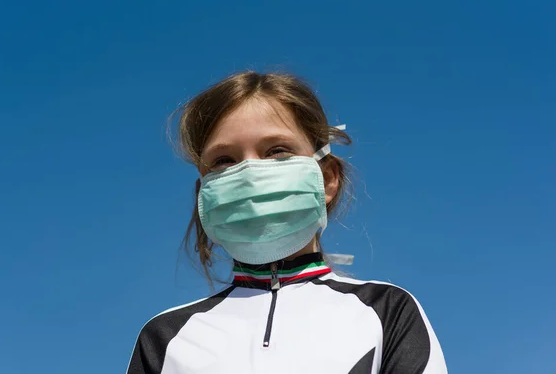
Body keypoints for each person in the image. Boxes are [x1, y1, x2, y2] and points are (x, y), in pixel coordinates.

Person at [126, 71, 448, 374]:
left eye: (277, 151)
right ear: (204, 193)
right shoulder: (164, 341)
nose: (250, 175)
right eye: (224, 160)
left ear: (326, 178)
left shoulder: (387, 314)